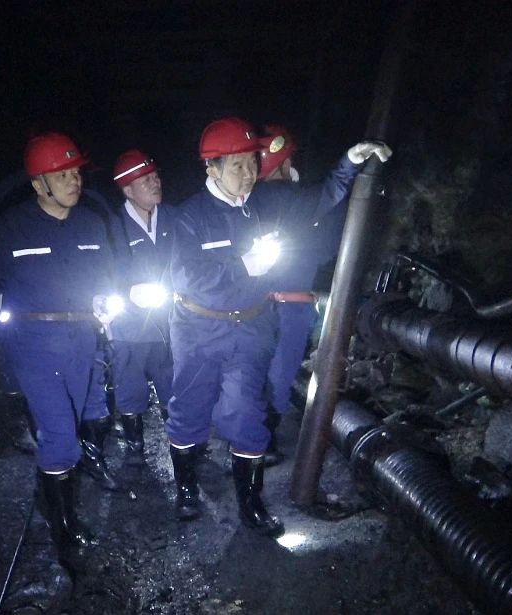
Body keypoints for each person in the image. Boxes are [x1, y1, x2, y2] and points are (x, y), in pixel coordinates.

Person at [166, 116, 390, 537]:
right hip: (198, 329)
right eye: (237, 165)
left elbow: (320, 198)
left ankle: (251, 504)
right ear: (211, 168)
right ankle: (186, 487)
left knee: (247, 412)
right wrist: (242, 267)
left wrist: (350, 161)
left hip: (251, 326)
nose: (248, 173)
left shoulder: (264, 203)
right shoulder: (190, 217)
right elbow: (184, 276)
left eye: (252, 163)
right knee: (190, 408)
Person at [0, 132, 121, 560]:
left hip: (82, 340)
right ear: (38, 184)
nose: (74, 181)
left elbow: (107, 277)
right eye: (62, 175)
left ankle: (52, 497)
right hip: (34, 345)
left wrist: (108, 300)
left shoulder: (91, 224)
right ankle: (62, 526)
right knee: (61, 435)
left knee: (75, 422)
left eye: (75, 173)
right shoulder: (12, 229)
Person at [258, 125, 376, 466]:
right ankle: (262, 439)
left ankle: (252, 438)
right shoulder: (295, 199)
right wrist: (350, 161)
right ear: (281, 163)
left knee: (254, 373)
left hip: (256, 307)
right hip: (290, 304)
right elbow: (333, 190)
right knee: (278, 376)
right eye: (288, 159)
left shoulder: (245, 202)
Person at [106, 149, 176, 465]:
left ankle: (182, 443)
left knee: (172, 382)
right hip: (130, 324)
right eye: (146, 180)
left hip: (169, 322)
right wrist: (125, 292)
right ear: (127, 189)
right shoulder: (113, 226)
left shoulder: (173, 217)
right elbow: (105, 270)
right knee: (130, 385)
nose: (155, 182)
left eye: (155, 176)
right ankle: (134, 445)